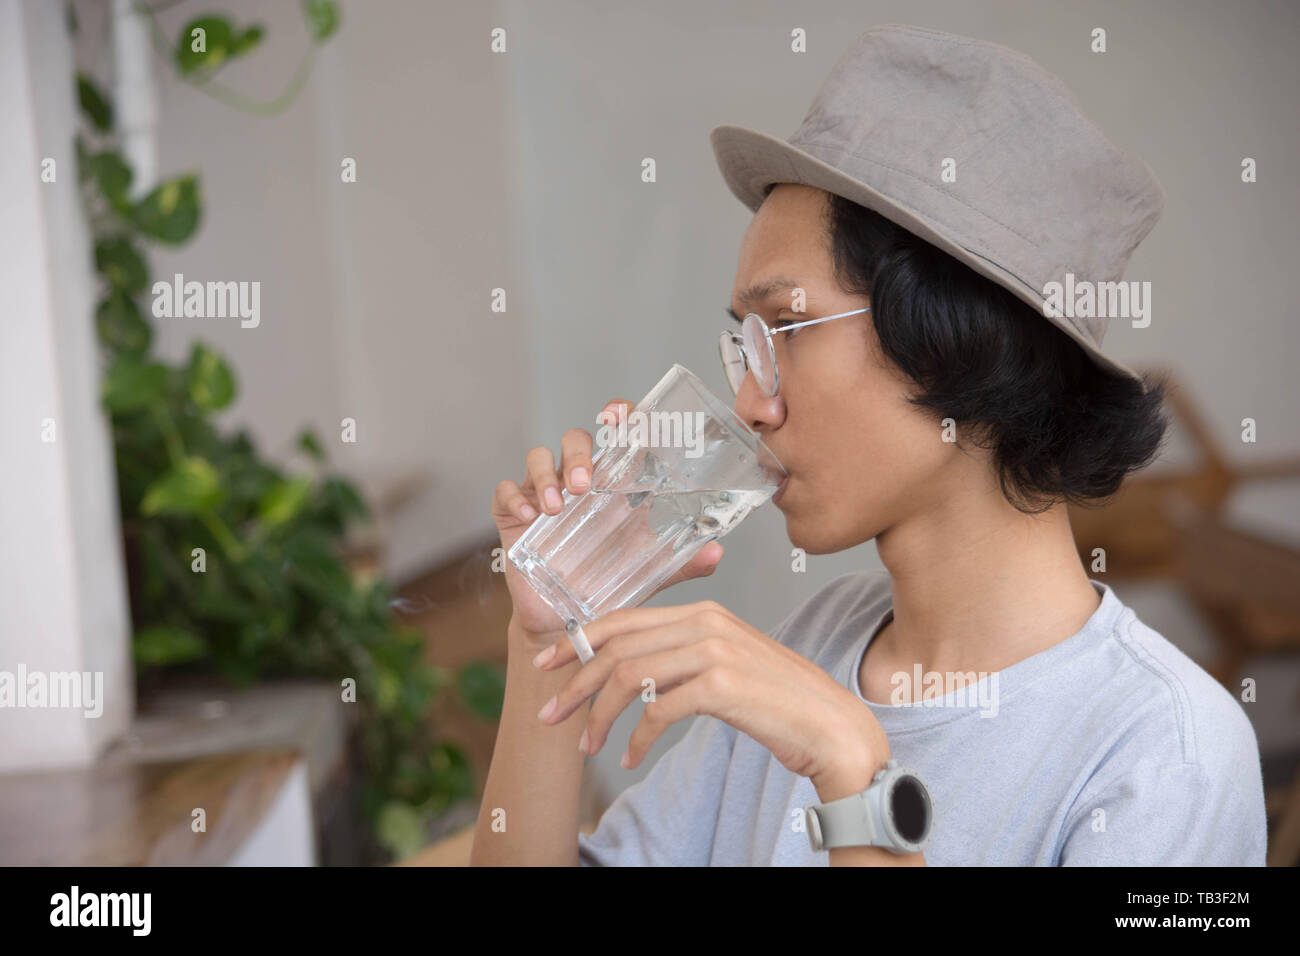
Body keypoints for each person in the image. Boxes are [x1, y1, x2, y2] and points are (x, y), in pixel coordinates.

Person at [470, 25, 1267, 866]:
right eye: (745, 343)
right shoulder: (820, 638)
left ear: (956, 336)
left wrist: (858, 781)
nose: (751, 401)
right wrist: (551, 639)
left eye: (787, 325)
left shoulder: (1169, 755)